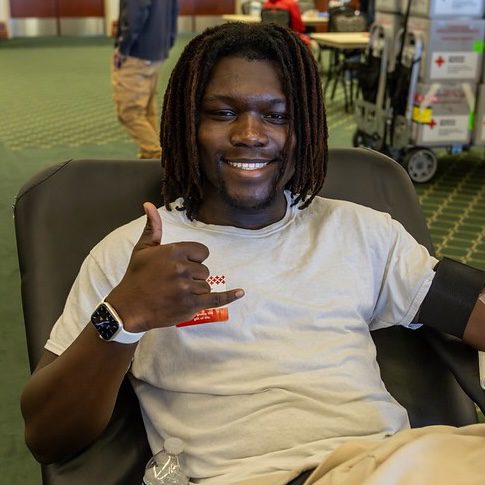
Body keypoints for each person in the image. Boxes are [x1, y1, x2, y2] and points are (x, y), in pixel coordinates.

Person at [21, 22, 485, 485]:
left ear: (304, 128)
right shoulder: (133, 254)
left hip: (390, 461)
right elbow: (47, 435)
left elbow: (468, 309)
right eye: (223, 114)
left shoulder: (360, 230)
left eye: (277, 116)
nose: (250, 134)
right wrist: (122, 317)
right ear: (187, 124)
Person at [112, 0, 178, 159]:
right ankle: (151, 158)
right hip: (157, 50)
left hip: (137, 52)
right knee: (147, 109)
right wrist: (167, 42)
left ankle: (156, 156)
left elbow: (136, 13)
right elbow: (173, 11)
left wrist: (123, 46)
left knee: (129, 113)